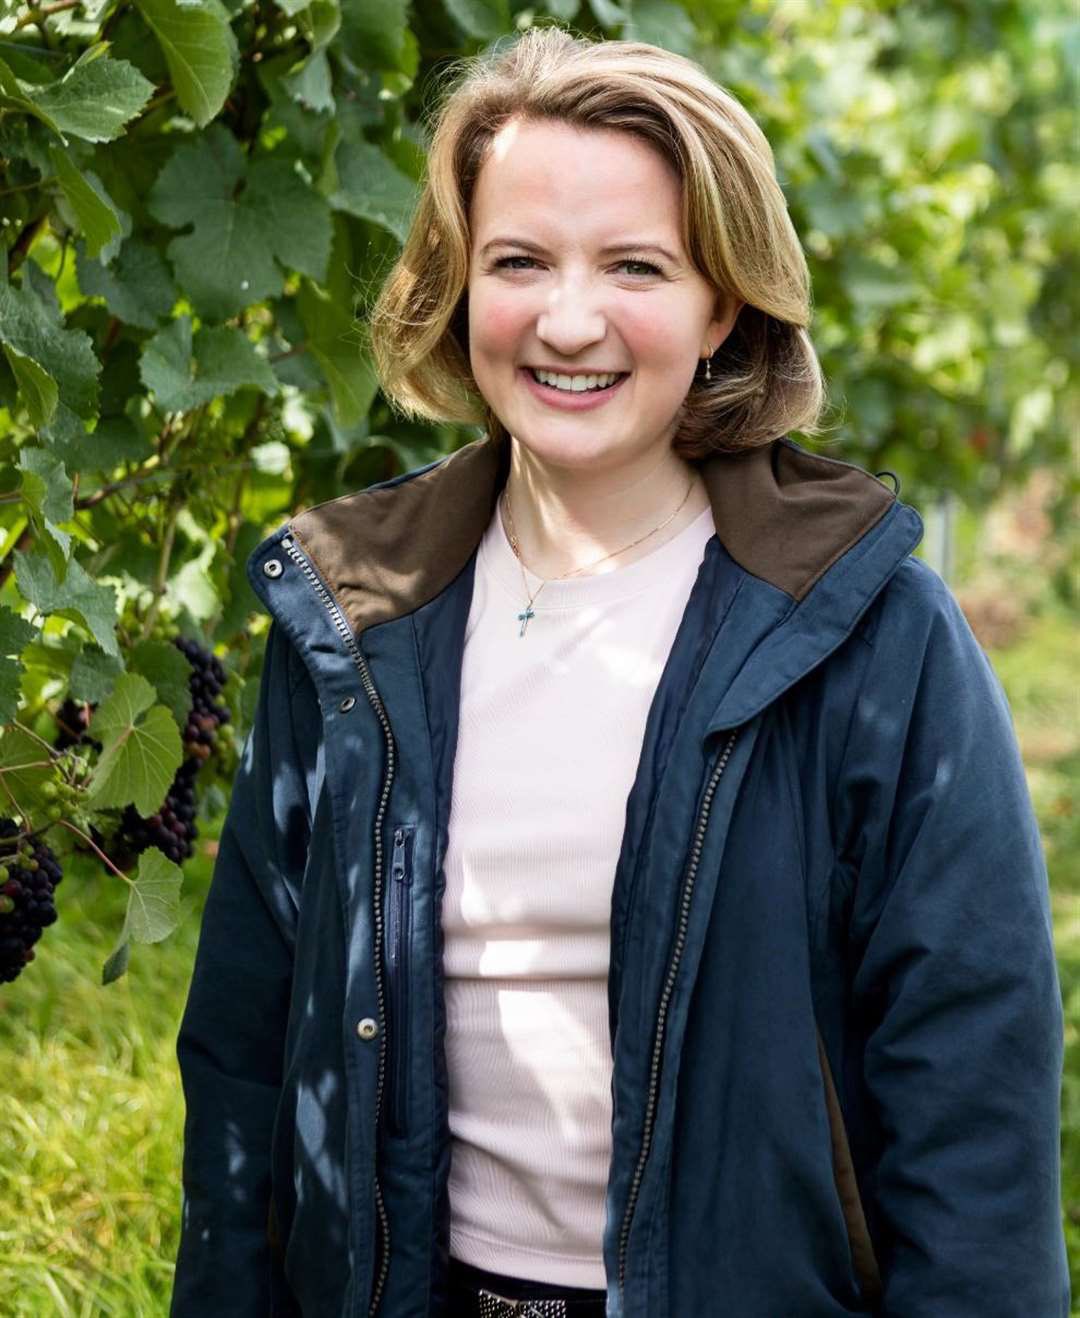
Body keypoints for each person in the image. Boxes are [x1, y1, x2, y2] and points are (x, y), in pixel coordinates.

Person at [170, 27, 1069, 1318]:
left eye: (636, 266)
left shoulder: (870, 635)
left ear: (724, 306)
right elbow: (246, 1065)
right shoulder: (353, 616)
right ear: (458, 287)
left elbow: (970, 1090)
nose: (569, 320)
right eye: (519, 261)